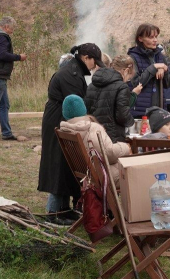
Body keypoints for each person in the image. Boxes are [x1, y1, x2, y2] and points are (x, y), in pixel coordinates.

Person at [38, 43, 105, 226]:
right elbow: (75, 104)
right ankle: (53, 212)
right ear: (85, 58)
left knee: (67, 165)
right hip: (58, 119)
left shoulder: (74, 70)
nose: (94, 66)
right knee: (58, 165)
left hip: (61, 117)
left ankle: (65, 209)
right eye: (94, 61)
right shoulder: (71, 75)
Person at [59, 95, 131, 187]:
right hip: (102, 175)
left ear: (65, 113)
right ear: (83, 109)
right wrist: (126, 148)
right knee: (135, 171)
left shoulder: (65, 130)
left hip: (87, 175)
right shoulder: (92, 128)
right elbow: (109, 153)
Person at [85, 55, 139, 143]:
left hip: (93, 138)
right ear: (125, 71)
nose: (127, 81)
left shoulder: (92, 85)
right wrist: (132, 123)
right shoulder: (122, 87)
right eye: (129, 77)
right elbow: (122, 115)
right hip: (113, 139)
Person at [128, 23, 170, 118]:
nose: (155, 40)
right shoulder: (132, 57)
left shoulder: (160, 56)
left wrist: (164, 70)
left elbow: (168, 84)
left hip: (159, 111)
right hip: (140, 112)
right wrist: (154, 67)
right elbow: (136, 83)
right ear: (140, 38)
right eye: (151, 37)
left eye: (156, 36)